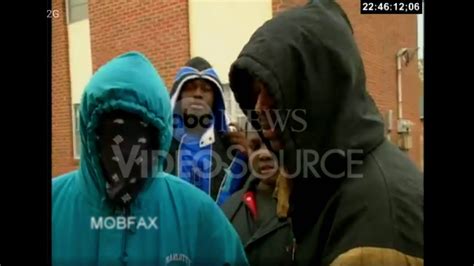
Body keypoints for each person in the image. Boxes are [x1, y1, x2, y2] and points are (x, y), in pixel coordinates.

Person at [227, 0, 423, 265]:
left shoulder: (375, 222)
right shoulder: (325, 179)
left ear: (318, 94)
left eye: (274, 91)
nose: (260, 108)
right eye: (255, 92)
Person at [52, 51, 248, 266]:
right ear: (90, 133)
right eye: (113, 130)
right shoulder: (55, 202)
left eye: (139, 132)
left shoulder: (202, 212)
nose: (125, 149)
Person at [167, 56, 249, 205]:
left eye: (206, 89)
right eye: (190, 87)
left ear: (215, 98)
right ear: (178, 95)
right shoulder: (161, 144)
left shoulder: (233, 150)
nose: (198, 94)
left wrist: (250, 156)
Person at [222, 127, 295, 265]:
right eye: (255, 147)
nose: (264, 154)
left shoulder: (314, 208)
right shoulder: (228, 211)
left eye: (272, 145)